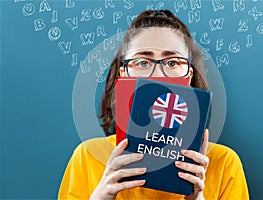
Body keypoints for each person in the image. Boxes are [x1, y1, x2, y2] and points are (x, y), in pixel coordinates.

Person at [58, 10, 249, 200]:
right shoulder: (87, 157)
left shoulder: (224, 163)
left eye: (172, 62)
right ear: (124, 73)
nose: (158, 73)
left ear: (189, 75)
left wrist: (197, 198)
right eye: (142, 62)